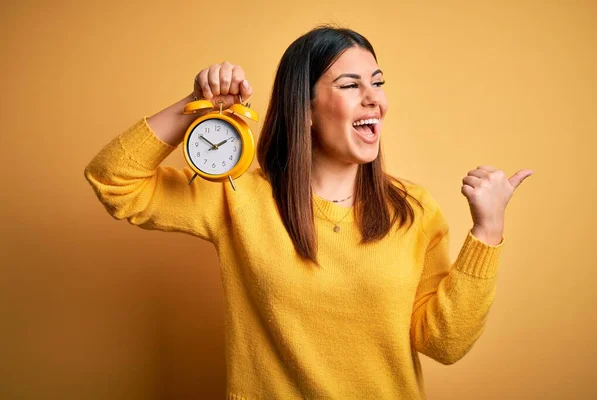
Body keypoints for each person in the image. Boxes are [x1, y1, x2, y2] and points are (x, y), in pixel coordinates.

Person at [85, 25, 533, 399]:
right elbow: (113, 180)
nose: (374, 98)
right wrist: (196, 104)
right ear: (307, 110)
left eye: (377, 82)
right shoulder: (239, 197)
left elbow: (444, 343)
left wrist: (488, 230)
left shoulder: (413, 210)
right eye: (350, 85)